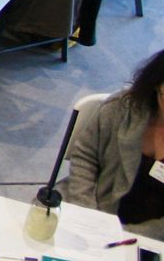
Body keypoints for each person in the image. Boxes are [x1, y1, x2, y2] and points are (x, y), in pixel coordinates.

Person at [65, 48, 164, 241]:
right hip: (91, 206)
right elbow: (85, 156)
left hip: (149, 237)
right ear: (155, 85)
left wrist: (126, 237)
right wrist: (86, 214)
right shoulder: (122, 108)